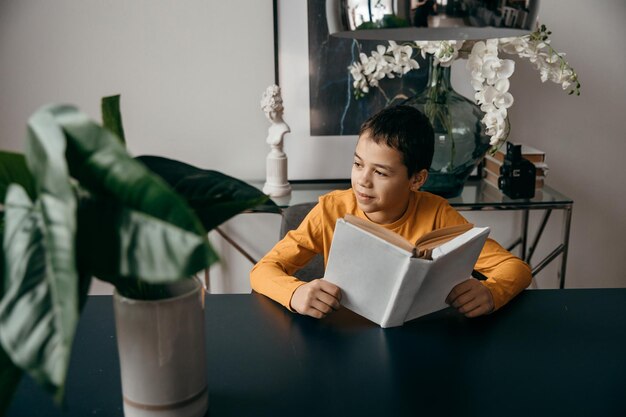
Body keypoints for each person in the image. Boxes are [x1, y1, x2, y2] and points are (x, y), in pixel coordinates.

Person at [250, 105, 532, 320]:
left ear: (417, 179)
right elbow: (262, 270)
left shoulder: (437, 214)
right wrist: (295, 292)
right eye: (358, 164)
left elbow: (516, 268)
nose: (362, 180)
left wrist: (490, 291)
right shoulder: (330, 210)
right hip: (339, 336)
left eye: (381, 172)